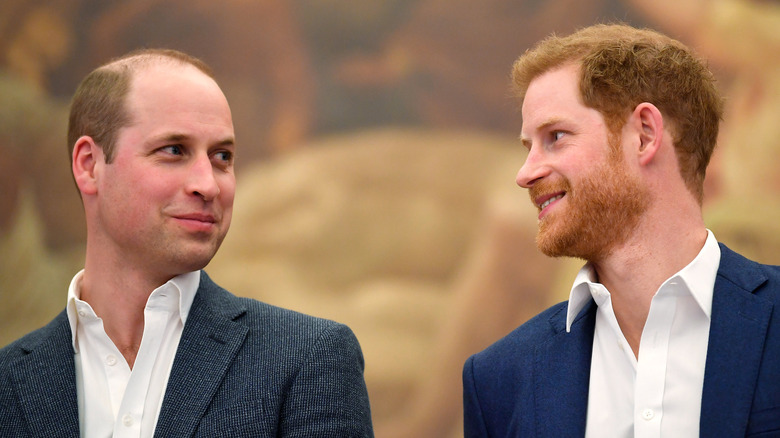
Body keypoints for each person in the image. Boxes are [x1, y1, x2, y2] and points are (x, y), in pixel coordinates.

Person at [0, 48, 373, 437]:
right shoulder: (8, 383)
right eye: (174, 150)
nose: (208, 184)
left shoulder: (308, 360)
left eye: (222, 156)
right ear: (90, 165)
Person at [462, 23, 780, 437]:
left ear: (645, 135)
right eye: (528, 147)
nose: (525, 174)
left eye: (556, 136)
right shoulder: (499, 379)